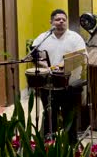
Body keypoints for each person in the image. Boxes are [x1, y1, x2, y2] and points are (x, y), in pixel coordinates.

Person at [32, 9, 87, 142]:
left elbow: (82, 57)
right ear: (51, 22)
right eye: (57, 19)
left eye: (64, 19)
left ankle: (72, 146)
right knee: (50, 115)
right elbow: (33, 56)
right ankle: (48, 144)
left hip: (70, 84)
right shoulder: (42, 37)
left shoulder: (75, 37)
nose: (61, 22)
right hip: (49, 85)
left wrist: (63, 65)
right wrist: (44, 65)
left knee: (70, 117)